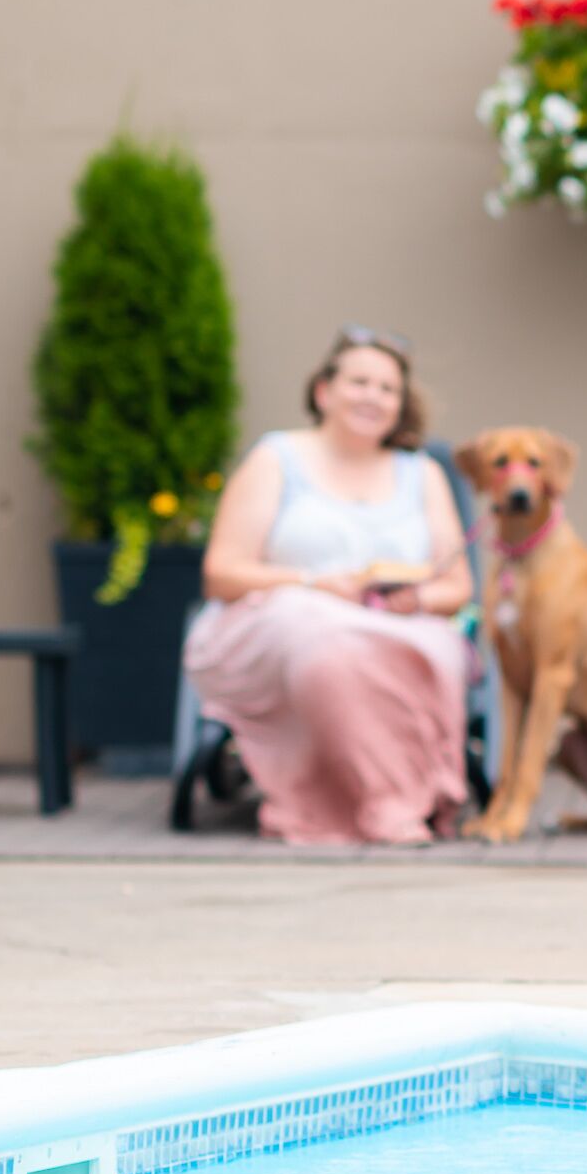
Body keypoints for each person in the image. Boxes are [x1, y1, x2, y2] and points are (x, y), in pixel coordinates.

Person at [184, 326, 476, 845]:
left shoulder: (422, 474)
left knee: (438, 650)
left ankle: (399, 794)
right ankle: (381, 803)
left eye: (388, 389)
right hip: (283, 620)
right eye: (360, 382)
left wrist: (416, 598)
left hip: (398, 623)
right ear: (324, 391)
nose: (373, 397)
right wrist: (316, 583)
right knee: (325, 646)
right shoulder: (276, 458)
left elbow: (457, 586)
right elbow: (221, 573)